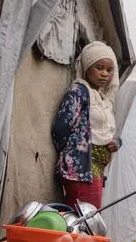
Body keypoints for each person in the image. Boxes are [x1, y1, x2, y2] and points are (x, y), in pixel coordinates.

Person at [51, 41, 121, 207]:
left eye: (109, 70)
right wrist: (74, 152)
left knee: (86, 216)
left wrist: (115, 143)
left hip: (95, 168)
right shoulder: (80, 92)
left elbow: (106, 130)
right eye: (99, 67)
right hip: (81, 168)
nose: (105, 74)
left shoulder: (103, 100)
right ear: (87, 67)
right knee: (85, 216)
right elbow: (61, 128)